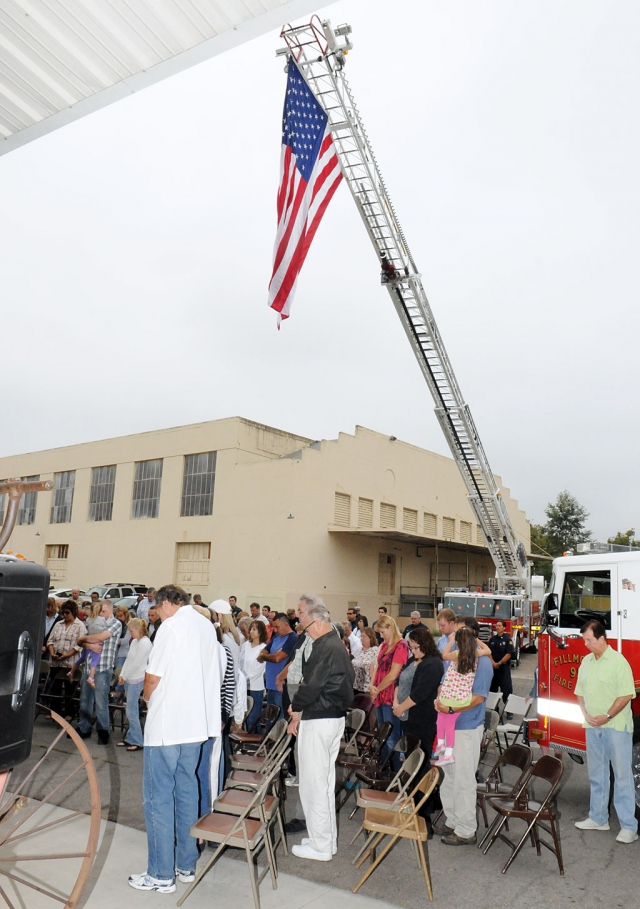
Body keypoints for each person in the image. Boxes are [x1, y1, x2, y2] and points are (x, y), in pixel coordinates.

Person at [129, 584, 224, 893]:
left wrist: (146, 698)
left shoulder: (171, 627)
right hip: (197, 725)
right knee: (187, 792)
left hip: (169, 725)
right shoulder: (206, 625)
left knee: (157, 797)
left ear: (169, 604)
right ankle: (185, 865)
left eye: (157, 609)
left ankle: (160, 873)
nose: (155, 615)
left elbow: (153, 676)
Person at [288, 600, 355, 861]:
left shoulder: (326, 645)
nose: (298, 618)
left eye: (301, 614)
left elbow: (311, 684)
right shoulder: (332, 644)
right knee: (323, 784)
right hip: (328, 717)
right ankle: (323, 840)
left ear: (316, 621)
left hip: (320, 718)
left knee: (314, 785)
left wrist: (295, 705)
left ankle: (320, 846)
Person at [574, 619, 638, 844]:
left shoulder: (619, 662)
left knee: (622, 777)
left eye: (589, 640)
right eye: (584, 640)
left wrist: (607, 716)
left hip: (616, 727)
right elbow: (579, 692)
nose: (586, 644)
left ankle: (629, 826)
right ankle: (598, 818)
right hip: (592, 727)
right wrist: (585, 714)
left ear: (602, 638)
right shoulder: (586, 662)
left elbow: (626, 695)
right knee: (597, 775)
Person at [433, 617, 493, 846]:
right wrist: (439, 701)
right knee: (448, 774)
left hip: (467, 727)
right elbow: (443, 681)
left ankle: (466, 829)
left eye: (459, 633)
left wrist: (451, 707)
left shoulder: (483, 662)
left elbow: (478, 698)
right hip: (448, 723)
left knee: (464, 779)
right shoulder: (457, 656)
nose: (454, 638)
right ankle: (453, 820)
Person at [434, 627, 481, 765]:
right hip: (461, 697)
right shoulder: (475, 654)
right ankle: (441, 745)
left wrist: (451, 641)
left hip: (450, 694)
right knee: (443, 718)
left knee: (444, 720)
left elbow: (444, 655)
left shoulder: (456, 654)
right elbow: (488, 651)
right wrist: (476, 640)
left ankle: (448, 752)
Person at [76, 601, 121, 744]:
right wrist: (87, 642)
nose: (100, 615)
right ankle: (84, 728)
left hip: (103, 668)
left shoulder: (116, 623)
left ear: (110, 610)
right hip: (89, 666)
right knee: (85, 700)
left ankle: (103, 730)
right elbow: (79, 642)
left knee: (101, 702)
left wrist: (84, 639)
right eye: (99, 612)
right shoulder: (95, 621)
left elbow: (100, 637)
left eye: (103, 612)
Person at [369, 615, 409, 763]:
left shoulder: (401, 645)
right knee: (382, 736)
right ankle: (384, 768)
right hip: (380, 693)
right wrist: (372, 686)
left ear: (390, 628)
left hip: (391, 695)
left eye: (382, 632)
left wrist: (377, 689)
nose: (381, 636)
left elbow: (393, 675)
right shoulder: (385, 645)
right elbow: (377, 666)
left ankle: (395, 772)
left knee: (392, 738)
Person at [46, 601, 86, 719]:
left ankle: (69, 713)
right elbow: (50, 640)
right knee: (55, 687)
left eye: (67, 613)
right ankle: (55, 712)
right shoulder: (58, 624)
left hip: (70, 662)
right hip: (56, 662)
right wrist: (52, 652)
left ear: (73, 612)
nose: (65, 615)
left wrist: (67, 655)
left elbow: (80, 645)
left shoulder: (80, 626)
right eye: (63, 613)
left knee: (70, 688)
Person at [117, 618, 152, 751]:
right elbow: (128, 660)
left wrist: (125, 675)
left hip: (137, 679)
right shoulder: (135, 642)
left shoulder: (145, 643)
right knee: (130, 710)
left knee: (131, 711)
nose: (130, 633)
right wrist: (122, 674)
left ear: (138, 629)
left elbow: (137, 663)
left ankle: (137, 740)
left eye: (131, 630)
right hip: (129, 678)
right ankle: (131, 737)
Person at [258, 613, 297, 717]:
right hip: (270, 685)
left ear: (285, 624)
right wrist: (271, 655)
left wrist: (267, 656)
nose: (275, 630)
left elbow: (278, 658)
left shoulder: (292, 638)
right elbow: (262, 652)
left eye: (277, 627)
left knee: (278, 719)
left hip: (281, 687)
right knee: (270, 718)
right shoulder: (276, 637)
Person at [67, 601, 107, 688]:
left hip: (88, 640)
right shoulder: (102, 620)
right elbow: (105, 629)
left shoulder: (88, 620)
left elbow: (87, 629)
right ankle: (91, 677)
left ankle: (71, 672)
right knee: (95, 660)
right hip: (97, 642)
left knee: (82, 658)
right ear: (100, 611)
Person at [240, 620, 267, 730]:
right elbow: (239, 663)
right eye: (251, 629)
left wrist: (244, 679)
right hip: (243, 687)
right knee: (243, 718)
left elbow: (258, 670)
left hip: (255, 687)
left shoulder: (263, 648)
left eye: (254, 629)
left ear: (260, 632)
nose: (251, 631)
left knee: (253, 718)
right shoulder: (245, 645)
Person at [488, 620, 514, 711]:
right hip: (493, 669)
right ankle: (495, 710)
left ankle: (509, 711)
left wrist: (499, 663)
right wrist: (493, 662)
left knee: (506, 691)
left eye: (499, 625)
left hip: (503, 669)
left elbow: (508, 654)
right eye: (496, 625)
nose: (497, 627)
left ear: (504, 628)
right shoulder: (492, 639)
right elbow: (489, 652)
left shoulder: (507, 640)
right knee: (492, 690)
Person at [352, 627, 379, 694]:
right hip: (355, 686)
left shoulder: (375, 651)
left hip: (366, 688)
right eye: (361, 636)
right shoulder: (359, 650)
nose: (362, 639)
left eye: (364, 637)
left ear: (371, 638)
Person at [114, 604, 132, 690]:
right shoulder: (116, 624)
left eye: (121, 616)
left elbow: (125, 641)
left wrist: (115, 641)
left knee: (120, 673)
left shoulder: (128, 625)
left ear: (125, 615)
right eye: (117, 616)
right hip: (115, 653)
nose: (119, 619)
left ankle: (118, 691)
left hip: (123, 653)